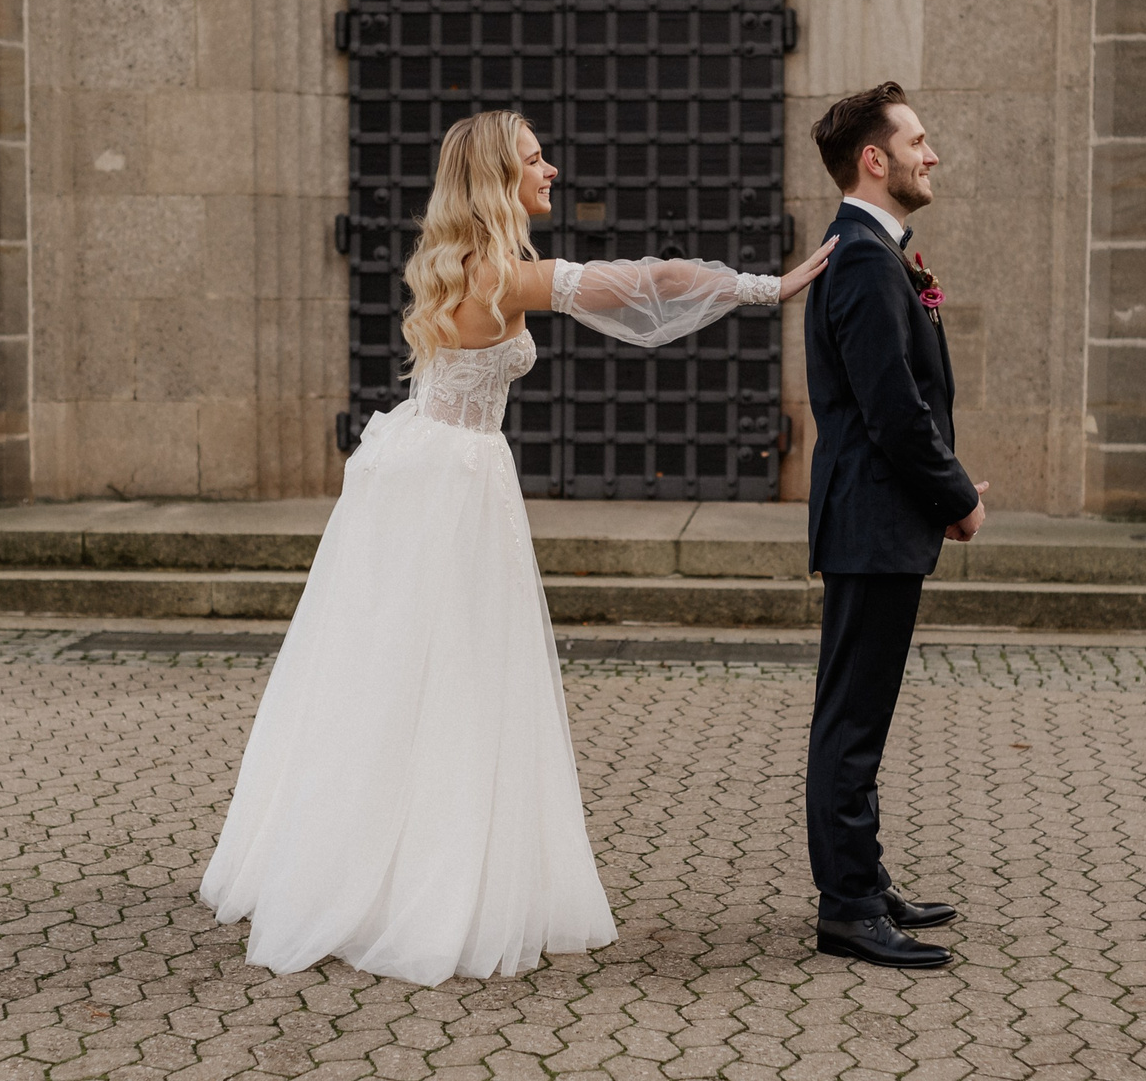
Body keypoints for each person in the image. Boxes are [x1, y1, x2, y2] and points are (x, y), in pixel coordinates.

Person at [200, 112, 838, 985]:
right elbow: (644, 280)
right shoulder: (500, 273)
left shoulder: (461, 264)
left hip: (424, 470)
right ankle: (418, 878)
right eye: (534, 159)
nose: (551, 168)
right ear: (499, 179)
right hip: (452, 485)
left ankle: (377, 844)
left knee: (404, 673)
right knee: (452, 674)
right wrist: (770, 286)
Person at [801, 83, 984, 970]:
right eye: (917, 139)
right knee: (852, 717)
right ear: (875, 159)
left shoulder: (873, 253)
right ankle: (846, 907)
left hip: (877, 518)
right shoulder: (867, 261)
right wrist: (957, 495)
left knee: (862, 711)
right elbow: (895, 410)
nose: (931, 153)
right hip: (871, 520)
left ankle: (864, 881)